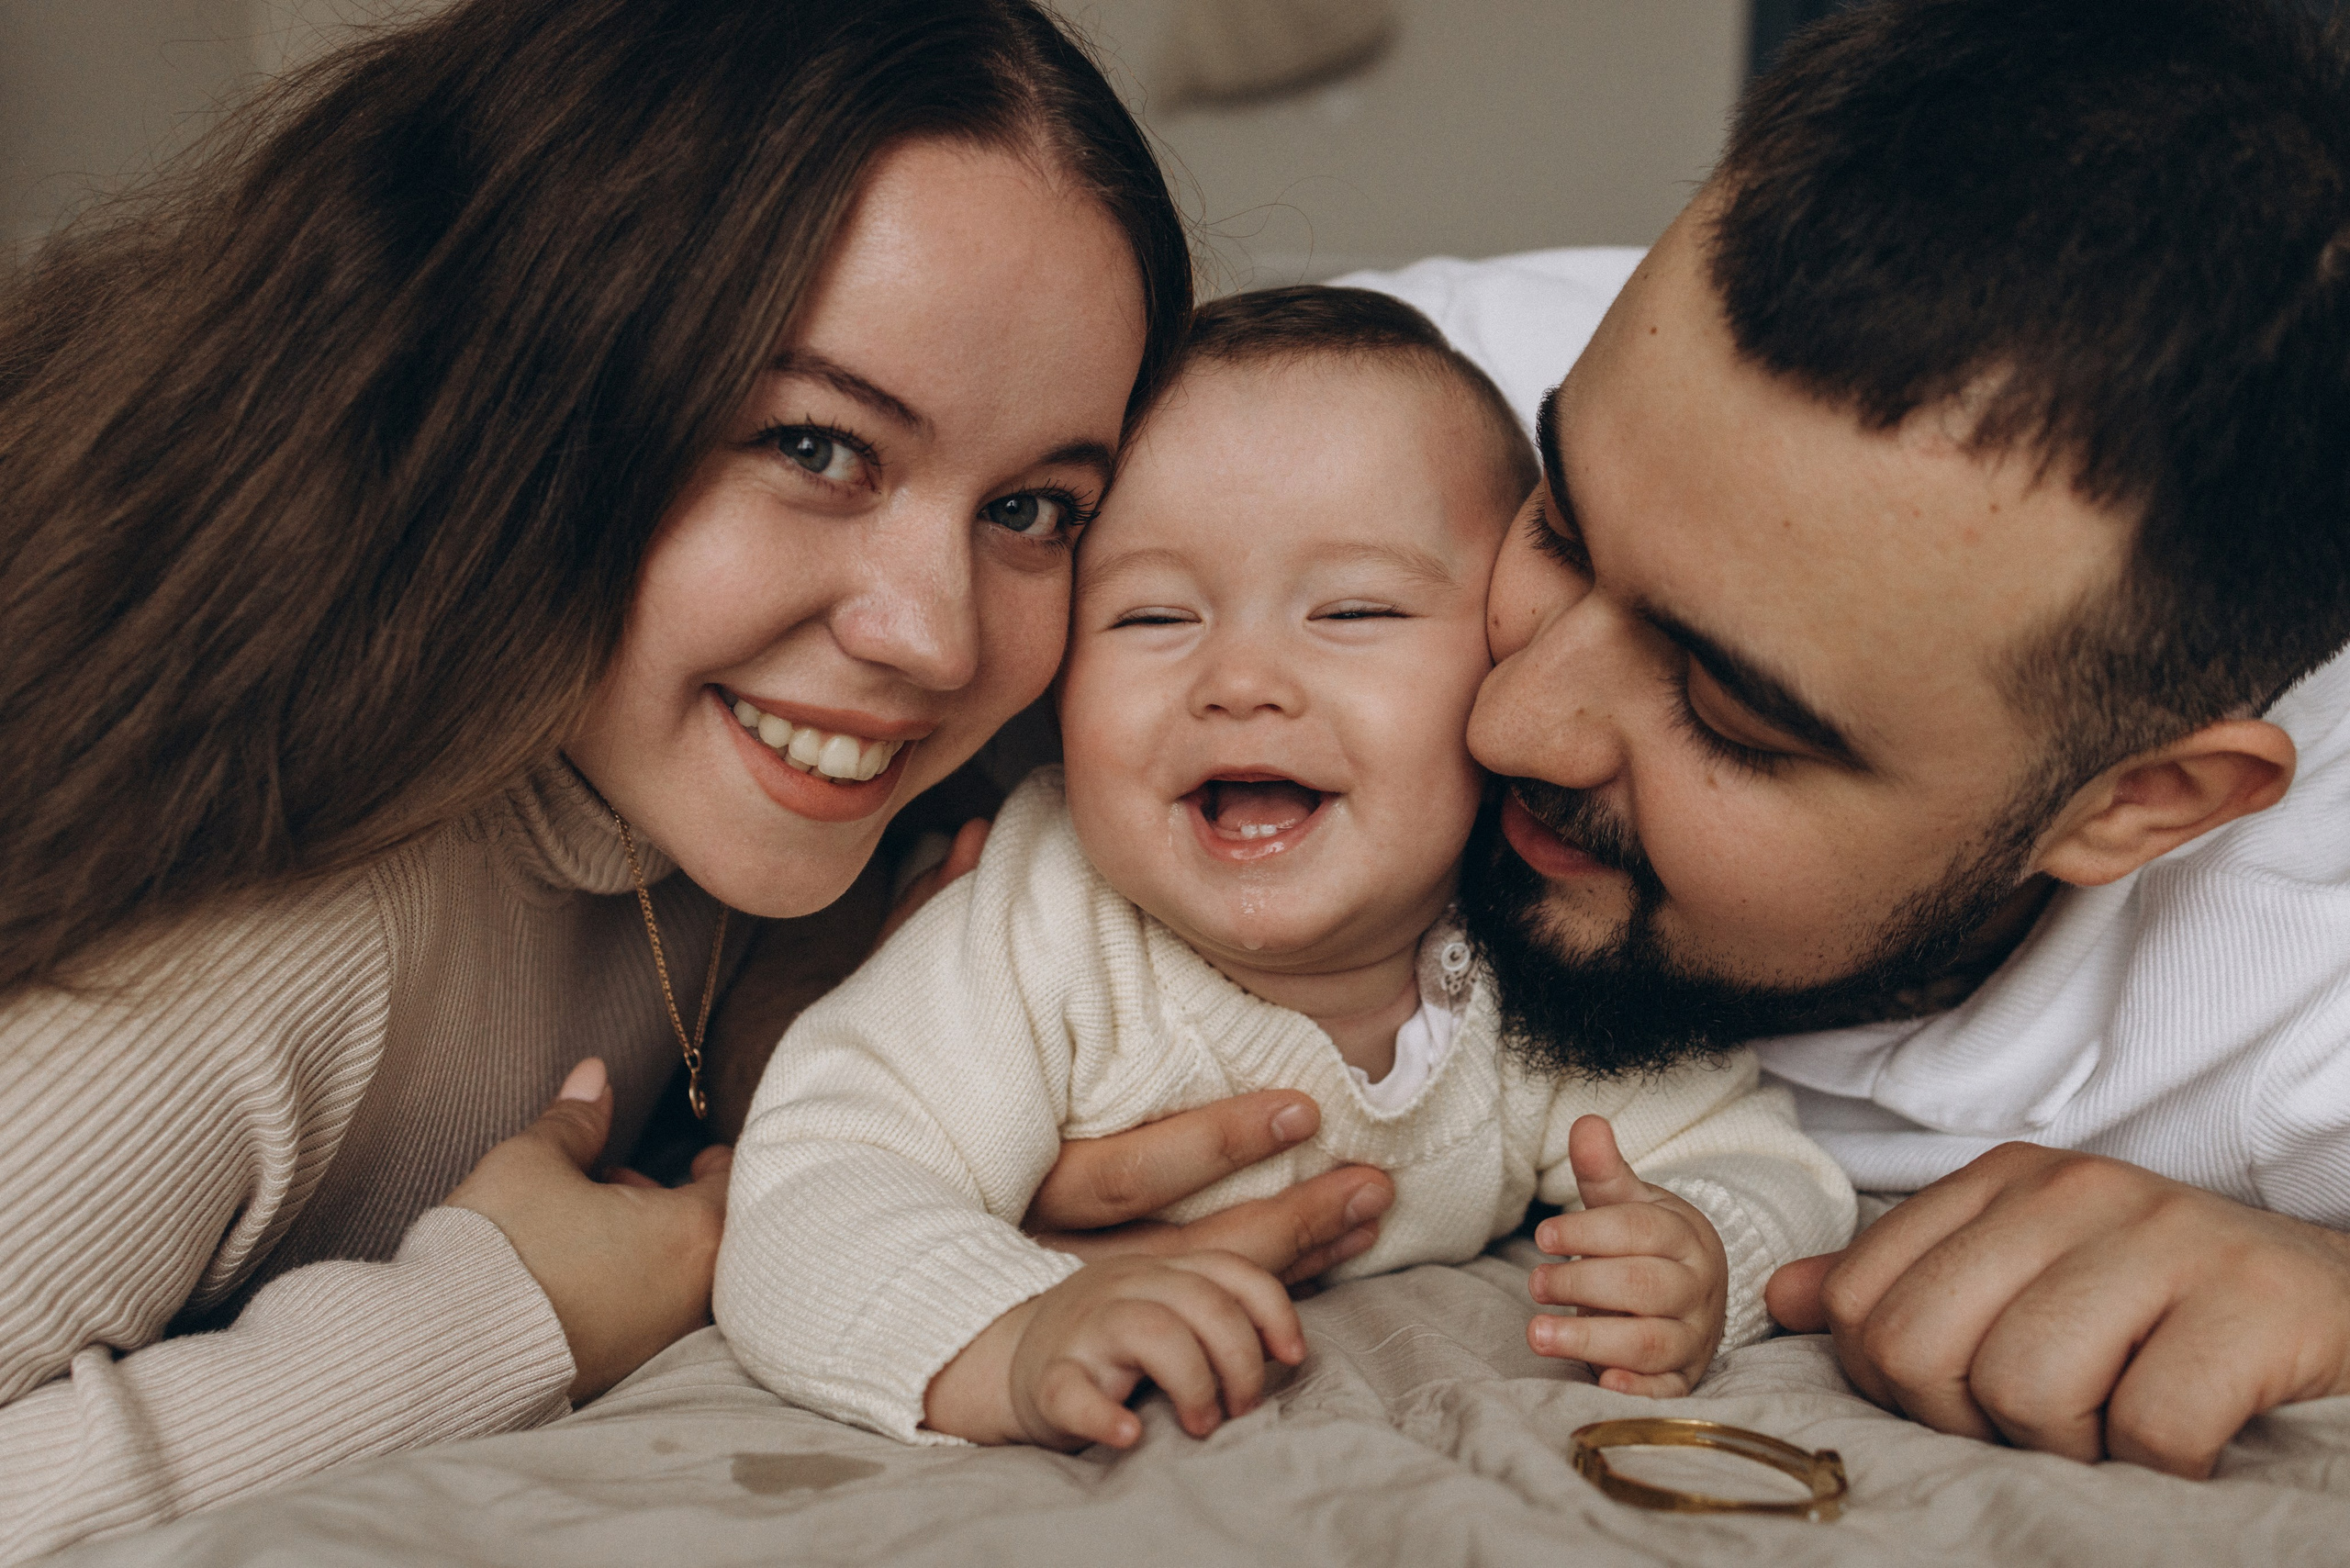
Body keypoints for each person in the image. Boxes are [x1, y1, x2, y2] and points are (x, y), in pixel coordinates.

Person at [0, 2, 1397, 1559]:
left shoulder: (880, 777)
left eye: (1032, 504)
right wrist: (502, 1312)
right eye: (817, 445)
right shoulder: (259, 949)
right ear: (526, 386)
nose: (934, 635)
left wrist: (906, 1179)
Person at [1438, 0, 2350, 1479]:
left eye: (1728, 715)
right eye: (1555, 524)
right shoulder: (1427, 398)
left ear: (2146, 803)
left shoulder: (2312, 993)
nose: (1510, 717)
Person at [714, 286, 1856, 1450]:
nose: (1241, 679)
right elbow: (811, 1186)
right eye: (1152, 618)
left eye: (1353, 610)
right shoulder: (1040, 927)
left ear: (1506, 659)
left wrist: (1701, 1248)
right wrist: (1009, 1332)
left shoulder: (1523, 939)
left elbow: (1759, 1157)